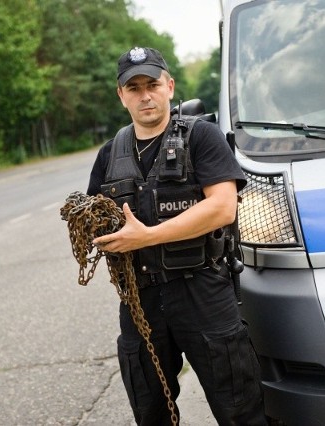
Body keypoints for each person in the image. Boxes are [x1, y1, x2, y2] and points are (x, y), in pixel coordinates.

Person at [87, 46, 267, 426]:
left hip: (202, 290)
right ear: (121, 96)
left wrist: (147, 236)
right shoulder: (109, 154)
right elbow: (96, 217)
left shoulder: (201, 137)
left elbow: (222, 207)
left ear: (169, 86)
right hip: (140, 299)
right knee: (151, 413)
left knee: (240, 412)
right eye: (133, 88)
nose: (144, 95)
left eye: (152, 84)